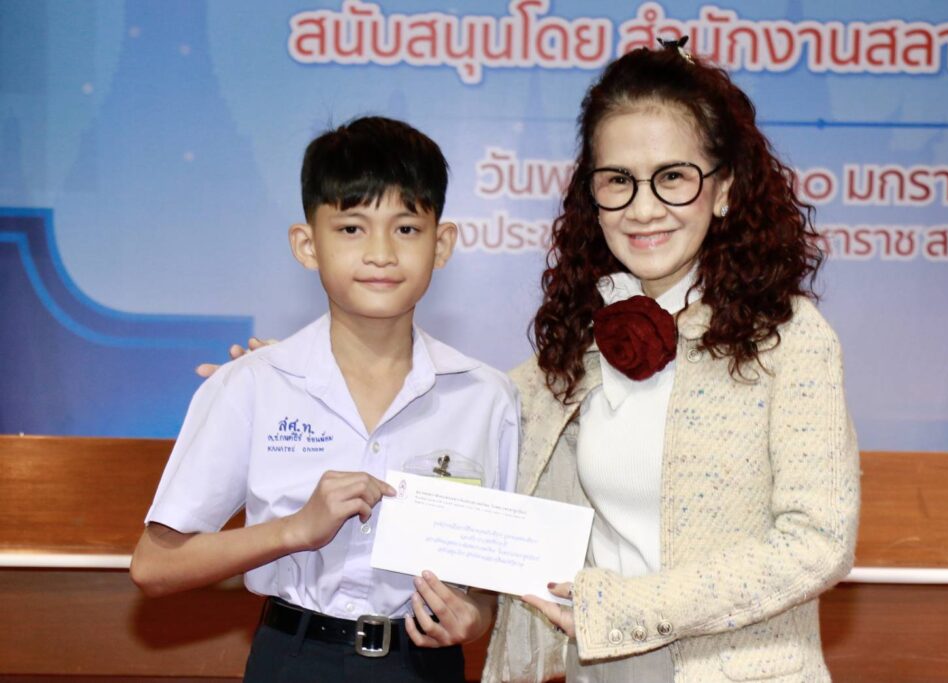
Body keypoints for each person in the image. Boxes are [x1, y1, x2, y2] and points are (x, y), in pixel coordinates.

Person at [479, 40, 860, 682]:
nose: (643, 208)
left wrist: (628, 608)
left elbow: (818, 543)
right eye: (617, 180)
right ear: (592, 195)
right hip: (598, 669)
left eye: (673, 177)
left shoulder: (789, 339)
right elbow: (471, 425)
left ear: (724, 189)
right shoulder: (578, 346)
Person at [131, 116, 519, 683]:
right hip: (294, 658)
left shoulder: (486, 397)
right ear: (307, 244)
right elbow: (153, 565)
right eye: (352, 228)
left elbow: (489, 582)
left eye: (407, 228)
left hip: (424, 665)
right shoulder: (252, 384)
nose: (381, 253)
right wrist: (294, 530)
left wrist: (474, 618)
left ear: (442, 245)